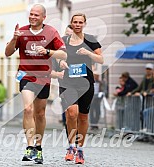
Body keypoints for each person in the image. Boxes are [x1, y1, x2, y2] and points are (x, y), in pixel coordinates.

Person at [5, 4, 66, 164]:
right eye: (31, 14)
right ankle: (30, 146)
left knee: (40, 113)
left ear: (43, 17)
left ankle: (38, 147)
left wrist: (47, 51)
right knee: (28, 108)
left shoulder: (51, 32)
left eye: (36, 15)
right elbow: (7, 52)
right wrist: (14, 38)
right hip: (26, 75)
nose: (32, 17)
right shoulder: (22, 31)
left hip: (44, 77)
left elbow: (63, 53)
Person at [59, 13, 103, 164]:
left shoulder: (90, 40)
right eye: (75, 22)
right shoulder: (64, 40)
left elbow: (101, 59)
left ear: (84, 23)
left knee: (83, 116)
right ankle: (71, 146)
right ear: (71, 23)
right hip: (67, 82)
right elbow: (58, 57)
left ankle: (80, 149)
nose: (77, 24)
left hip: (85, 83)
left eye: (80, 22)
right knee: (72, 113)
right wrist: (61, 63)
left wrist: (88, 53)